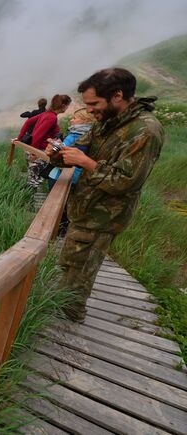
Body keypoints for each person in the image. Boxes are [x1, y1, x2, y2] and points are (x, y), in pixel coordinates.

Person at [46, 67, 164, 322]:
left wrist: (86, 163)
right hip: (85, 210)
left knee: (79, 274)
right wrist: (58, 153)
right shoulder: (107, 122)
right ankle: (60, 314)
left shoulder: (145, 131)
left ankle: (66, 326)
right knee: (70, 265)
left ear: (118, 95)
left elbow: (126, 182)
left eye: (94, 103)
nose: (89, 110)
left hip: (103, 217)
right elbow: (80, 149)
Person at [15, 94, 72, 189]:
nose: (67, 108)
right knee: (35, 180)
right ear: (63, 106)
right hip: (39, 151)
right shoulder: (51, 117)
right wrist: (34, 153)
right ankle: (28, 199)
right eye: (67, 105)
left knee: (33, 177)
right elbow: (38, 134)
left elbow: (28, 122)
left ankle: (27, 199)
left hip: (33, 149)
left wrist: (19, 137)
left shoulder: (46, 114)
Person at [47, 108, 96, 188]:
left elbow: (61, 152)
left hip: (62, 177)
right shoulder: (94, 135)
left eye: (74, 118)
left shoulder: (74, 135)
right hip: (80, 178)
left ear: (85, 120)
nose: (71, 120)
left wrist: (55, 146)